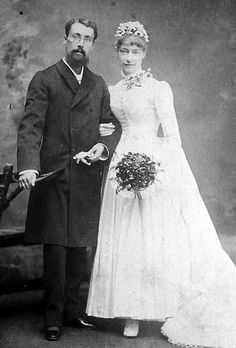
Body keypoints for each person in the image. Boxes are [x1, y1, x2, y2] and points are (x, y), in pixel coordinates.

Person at [86, 21, 236, 347]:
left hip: (152, 162)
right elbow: (107, 128)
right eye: (124, 50)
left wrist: (159, 173)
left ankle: (155, 307)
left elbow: (172, 136)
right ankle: (126, 311)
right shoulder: (110, 90)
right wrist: (102, 138)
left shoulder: (159, 88)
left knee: (150, 235)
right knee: (124, 235)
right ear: (117, 52)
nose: (129, 57)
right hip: (119, 164)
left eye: (135, 50)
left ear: (144, 53)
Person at [17, 18, 120, 341]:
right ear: (65, 40)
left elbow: (112, 127)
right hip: (54, 176)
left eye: (87, 39)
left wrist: (102, 147)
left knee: (80, 248)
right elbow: (31, 127)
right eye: (75, 37)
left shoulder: (98, 84)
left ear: (92, 45)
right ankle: (52, 318)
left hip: (87, 174)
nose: (80, 43)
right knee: (57, 249)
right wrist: (28, 167)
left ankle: (73, 312)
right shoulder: (45, 79)